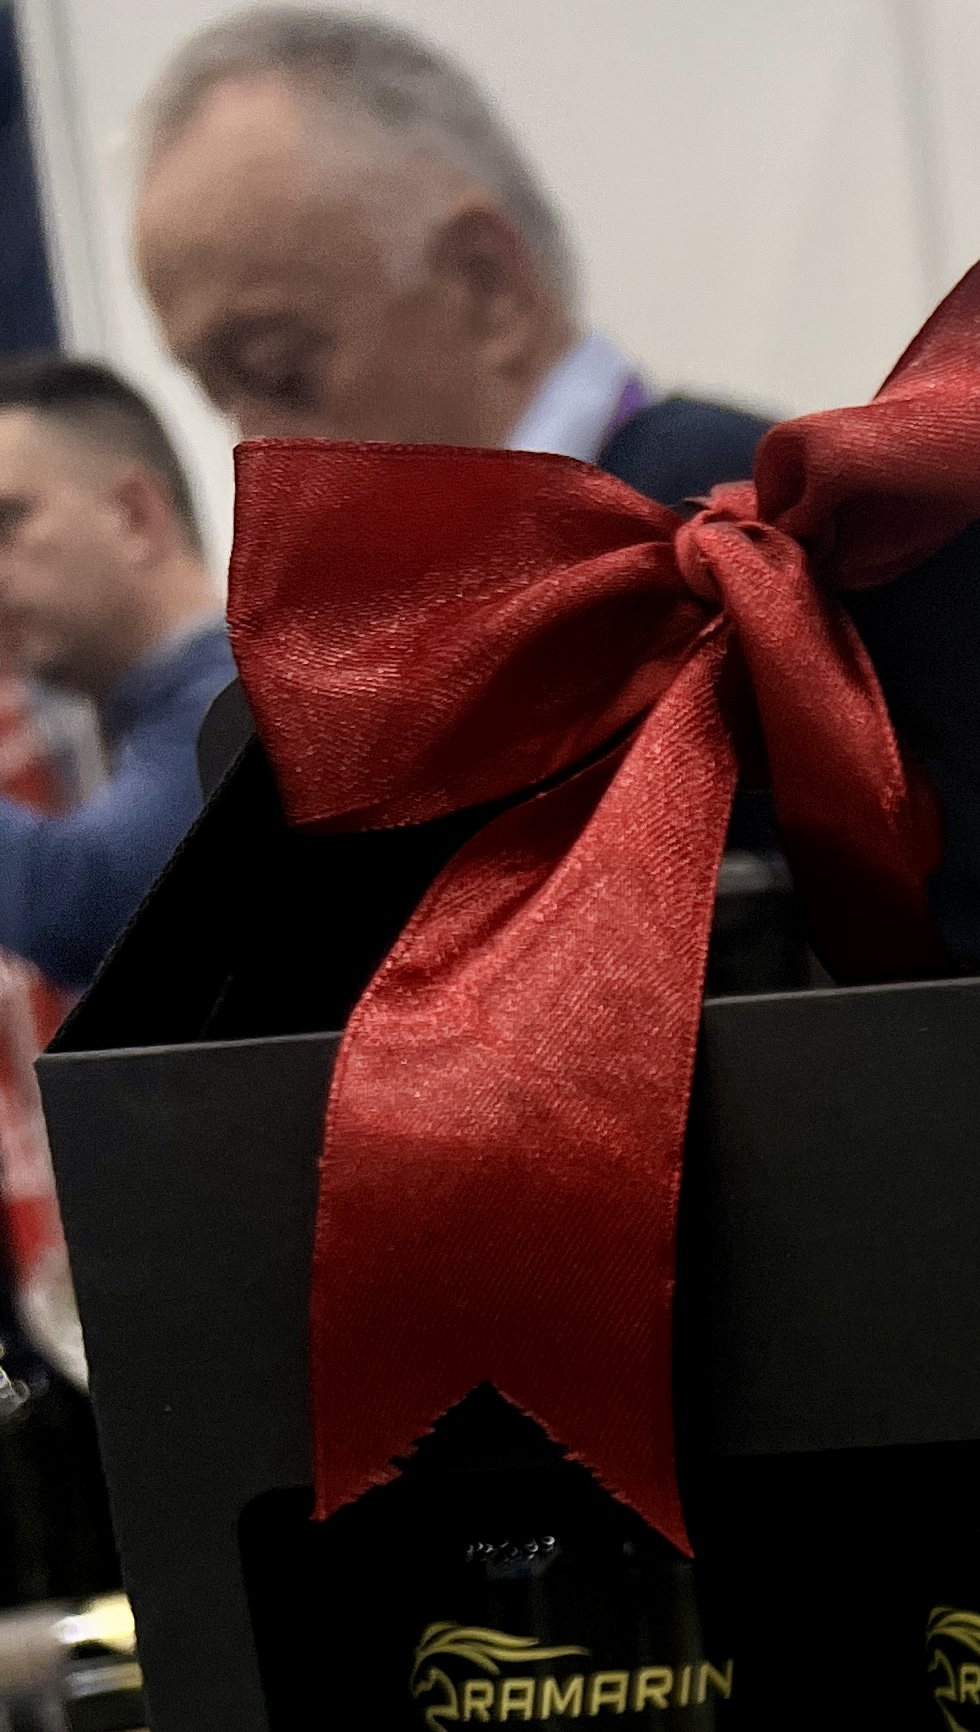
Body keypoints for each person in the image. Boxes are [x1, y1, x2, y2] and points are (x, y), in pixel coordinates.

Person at [133, 10, 765, 499]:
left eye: (281, 371)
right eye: (222, 401)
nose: (259, 463)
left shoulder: (755, 552)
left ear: (488, 286)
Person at [0, 359, 228, 994]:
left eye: (6, 523)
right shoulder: (161, 719)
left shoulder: (238, 704)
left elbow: (90, 904)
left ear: (133, 514)